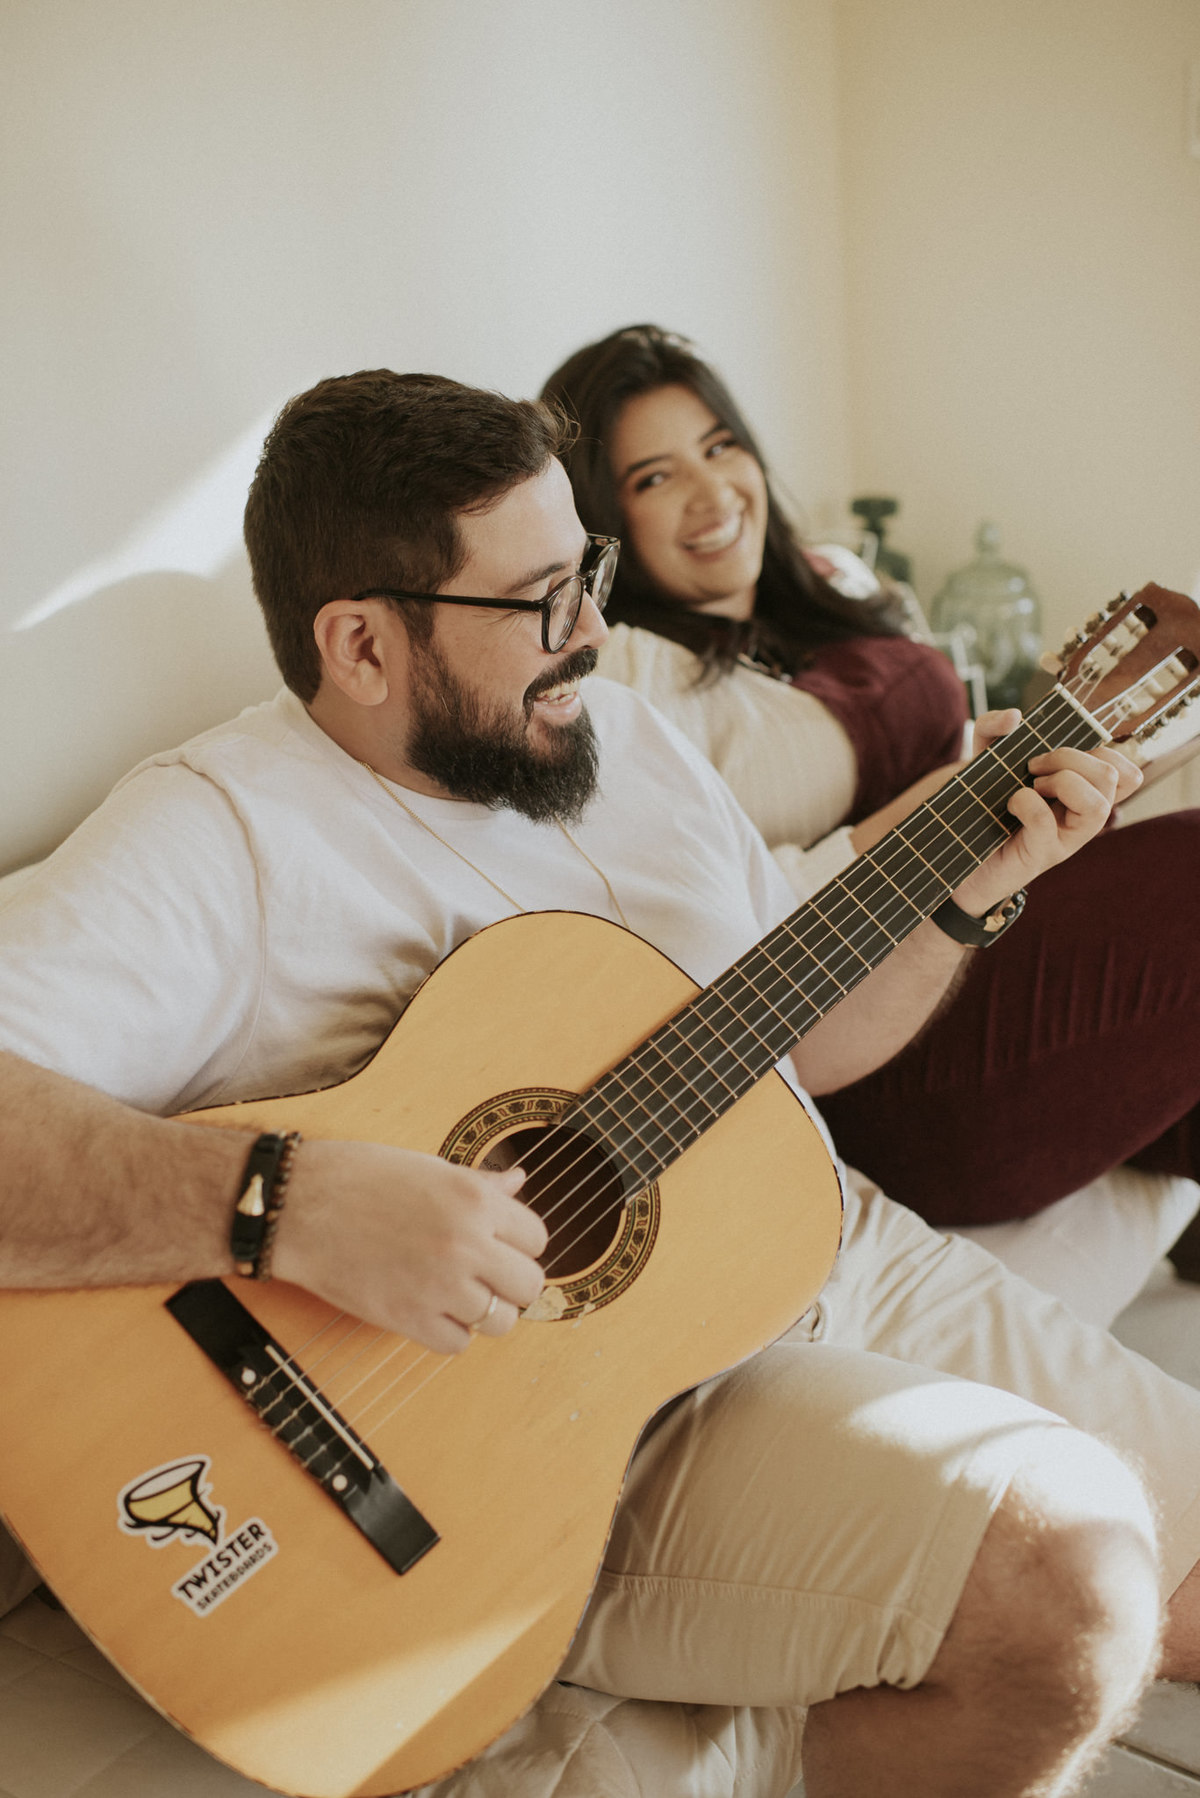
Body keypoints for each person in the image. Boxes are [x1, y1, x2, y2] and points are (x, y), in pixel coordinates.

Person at [1, 368, 1199, 1798]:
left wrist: (961, 896)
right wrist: (290, 1200)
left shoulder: (617, 735)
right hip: (551, 1429)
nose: (590, 632)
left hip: (824, 1250)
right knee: (1076, 1581)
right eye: (538, 601)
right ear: (362, 644)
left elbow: (791, 1039)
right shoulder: (219, 839)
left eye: (590, 574)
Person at [540, 324, 1200, 1267]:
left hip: (994, 927)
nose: (712, 493)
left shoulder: (832, 591)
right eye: (654, 478)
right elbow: (698, 912)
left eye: (720, 447)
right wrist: (934, 802)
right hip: (860, 1039)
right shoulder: (624, 675)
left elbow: (974, 779)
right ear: (601, 517)